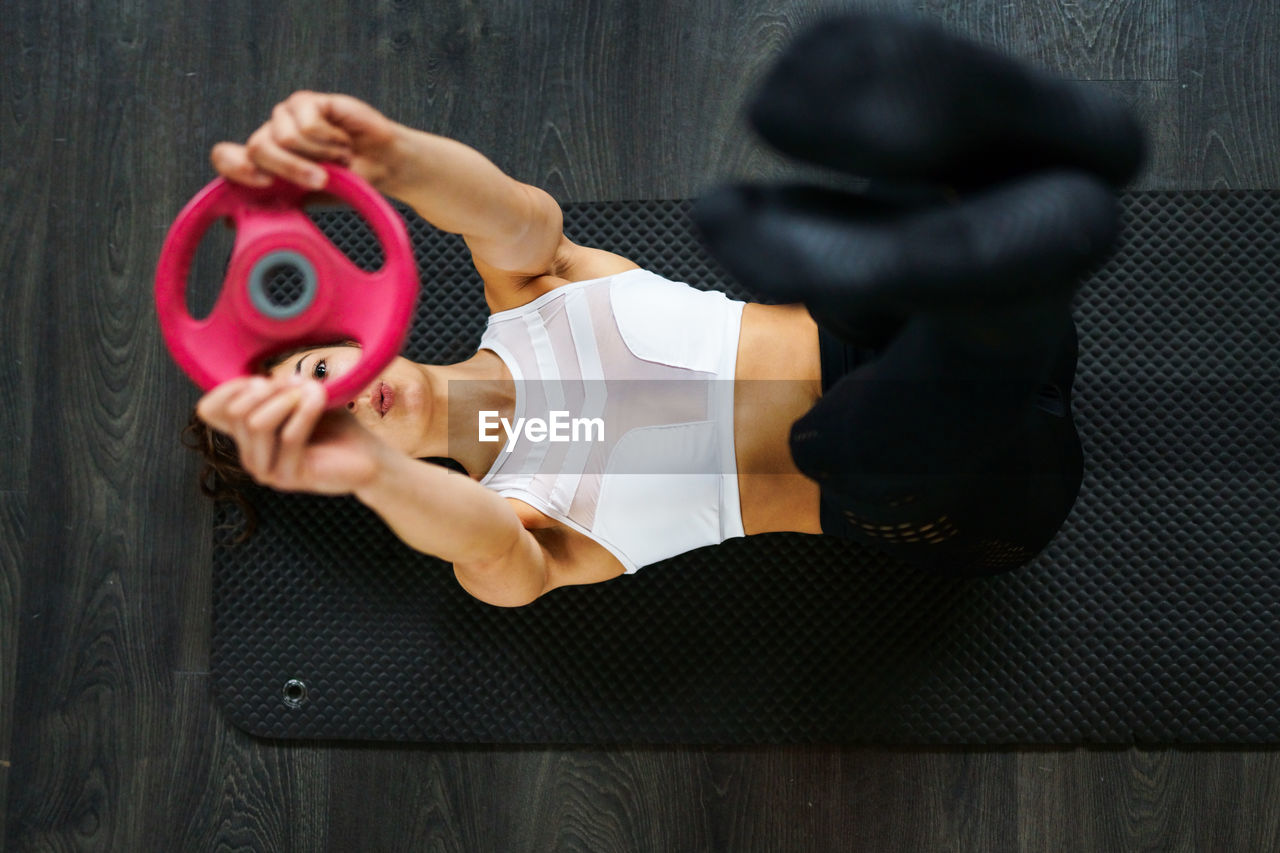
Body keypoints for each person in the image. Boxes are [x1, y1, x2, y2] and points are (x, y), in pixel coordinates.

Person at [188, 13, 1144, 607]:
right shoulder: (510, 515)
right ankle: (1021, 231)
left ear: (349, 339)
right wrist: (364, 475)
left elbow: (507, 213)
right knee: (855, 437)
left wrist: (387, 157)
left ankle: (990, 252)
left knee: (875, 305)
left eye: (320, 378)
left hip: (897, 334)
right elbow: (485, 550)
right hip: (949, 499)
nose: (346, 403)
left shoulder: (534, 296)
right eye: (325, 435)